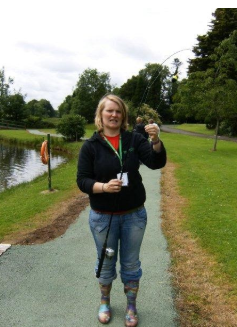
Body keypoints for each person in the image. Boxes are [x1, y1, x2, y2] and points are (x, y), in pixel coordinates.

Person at [77, 94, 166, 327]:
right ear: (101, 115)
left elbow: (156, 162)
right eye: (109, 111)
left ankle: (131, 306)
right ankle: (105, 301)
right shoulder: (91, 146)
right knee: (106, 262)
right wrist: (104, 187)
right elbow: (82, 181)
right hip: (102, 219)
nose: (114, 115)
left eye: (118, 111)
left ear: (123, 115)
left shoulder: (134, 140)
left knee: (130, 263)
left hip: (134, 215)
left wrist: (155, 141)